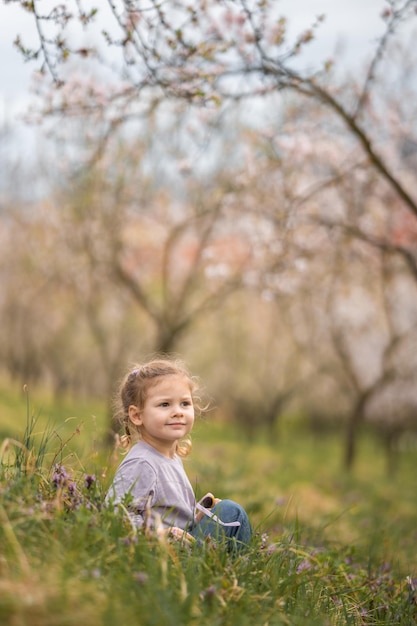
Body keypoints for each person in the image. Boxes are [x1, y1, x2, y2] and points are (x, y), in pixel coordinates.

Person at [105, 357, 251, 551]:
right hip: (163, 553)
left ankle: (224, 571)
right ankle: (220, 572)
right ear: (137, 415)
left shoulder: (170, 458)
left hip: (181, 545)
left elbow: (168, 514)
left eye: (184, 403)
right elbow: (116, 514)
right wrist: (158, 536)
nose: (178, 412)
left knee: (226, 512)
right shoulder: (142, 463)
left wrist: (197, 514)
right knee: (232, 513)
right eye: (165, 405)